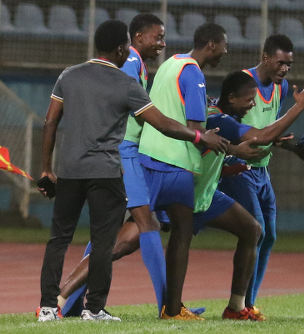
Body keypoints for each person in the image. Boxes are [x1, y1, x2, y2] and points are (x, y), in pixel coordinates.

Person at [36, 19, 227, 322]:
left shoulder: (70, 75)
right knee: (117, 235)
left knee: (66, 237)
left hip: (73, 167)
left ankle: (53, 305)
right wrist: (199, 135)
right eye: (158, 38)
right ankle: (105, 307)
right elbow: (159, 121)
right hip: (113, 163)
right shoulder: (127, 77)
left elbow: (50, 122)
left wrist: (46, 168)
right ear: (125, 46)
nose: (162, 44)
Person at [56, 13, 174, 318]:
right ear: (135, 39)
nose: (162, 43)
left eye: (164, 37)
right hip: (124, 153)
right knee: (145, 225)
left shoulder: (138, 65)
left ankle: (68, 303)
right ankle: (169, 308)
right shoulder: (130, 63)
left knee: (120, 233)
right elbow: (137, 113)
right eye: (157, 37)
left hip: (127, 153)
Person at [218, 34, 304, 320]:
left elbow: (270, 135)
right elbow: (228, 124)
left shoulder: (281, 87)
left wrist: (296, 147)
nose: (285, 69)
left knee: (270, 235)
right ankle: (238, 306)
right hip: (238, 167)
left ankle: (248, 303)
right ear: (265, 58)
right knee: (256, 230)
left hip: (262, 171)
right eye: (281, 62)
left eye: (289, 64)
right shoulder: (242, 81)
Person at [138, 22, 230, 320]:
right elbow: (195, 128)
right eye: (224, 46)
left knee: (131, 231)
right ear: (212, 45)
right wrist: (218, 141)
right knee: (179, 232)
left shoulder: (170, 63)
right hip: (174, 164)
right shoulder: (194, 73)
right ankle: (172, 309)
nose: (225, 52)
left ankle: (69, 294)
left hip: (148, 156)